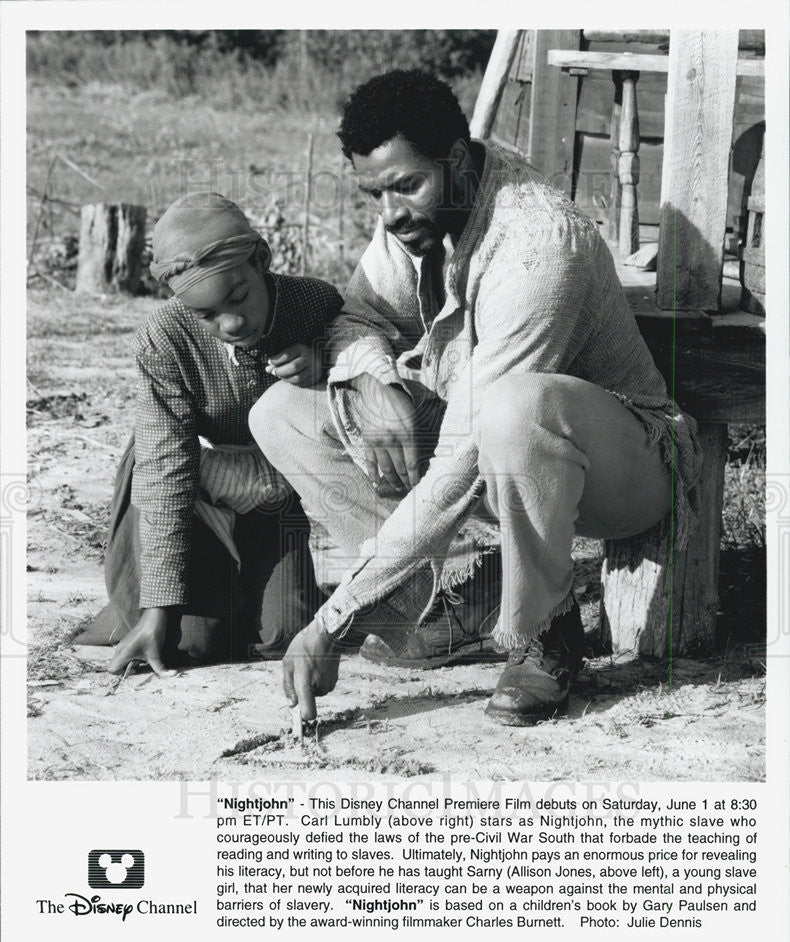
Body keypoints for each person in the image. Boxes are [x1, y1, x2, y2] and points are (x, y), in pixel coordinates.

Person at [249, 69, 702, 726]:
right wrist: (373, 380)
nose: (391, 212)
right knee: (285, 413)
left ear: (455, 160)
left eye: (406, 186)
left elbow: (465, 456)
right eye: (374, 194)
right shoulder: (411, 210)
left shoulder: (538, 245)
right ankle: (449, 600)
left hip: (623, 467)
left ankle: (543, 633)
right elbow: (360, 317)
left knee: (515, 411)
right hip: (493, 443)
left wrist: (334, 618)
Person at [76, 192, 343, 676]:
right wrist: (160, 606)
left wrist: (327, 364)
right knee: (188, 643)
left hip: (273, 489)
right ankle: (144, 602)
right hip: (189, 482)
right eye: (206, 314)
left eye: (238, 296)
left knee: (281, 639)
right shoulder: (164, 338)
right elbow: (164, 468)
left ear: (261, 259)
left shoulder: (315, 304)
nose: (231, 323)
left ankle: (228, 586)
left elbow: (376, 354)